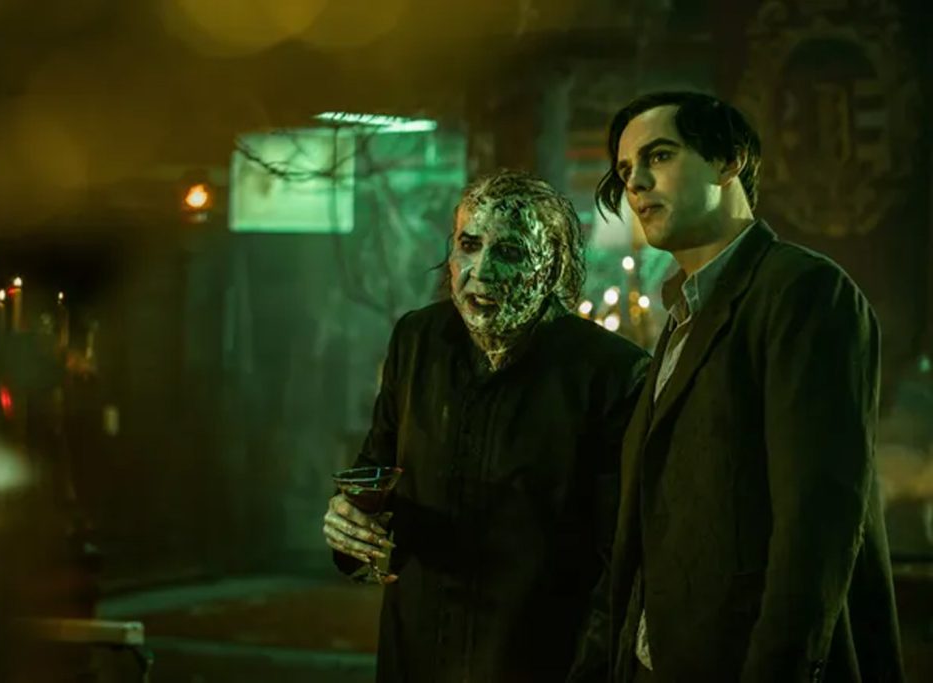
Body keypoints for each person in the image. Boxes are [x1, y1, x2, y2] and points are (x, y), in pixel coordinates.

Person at [579, 91, 905, 682]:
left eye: (659, 156)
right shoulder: (682, 315)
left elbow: (817, 526)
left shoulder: (801, 292)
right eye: (625, 170)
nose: (637, 183)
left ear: (729, 161)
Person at [322, 169, 649, 683]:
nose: (480, 271)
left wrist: (588, 671)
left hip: (536, 661)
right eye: (469, 245)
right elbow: (376, 475)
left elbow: (621, 563)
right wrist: (350, 524)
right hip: (418, 653)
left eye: (510, 252)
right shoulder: (419, 341)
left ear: (552, 267)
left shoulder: (609, 373)